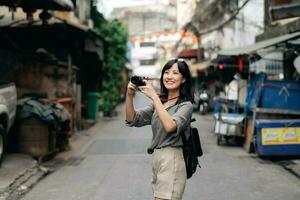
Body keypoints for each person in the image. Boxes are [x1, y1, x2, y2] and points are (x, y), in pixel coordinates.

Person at [125, 58, 194, 200]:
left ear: (183, 79)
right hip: (157, 159)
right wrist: (130, 95)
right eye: (167, 72)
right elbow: (133, 119)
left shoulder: (185, 105)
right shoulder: (161, 102)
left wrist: (154, 97)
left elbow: (170, 126)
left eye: (175, 73)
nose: (169, 76)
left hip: (172, 158)